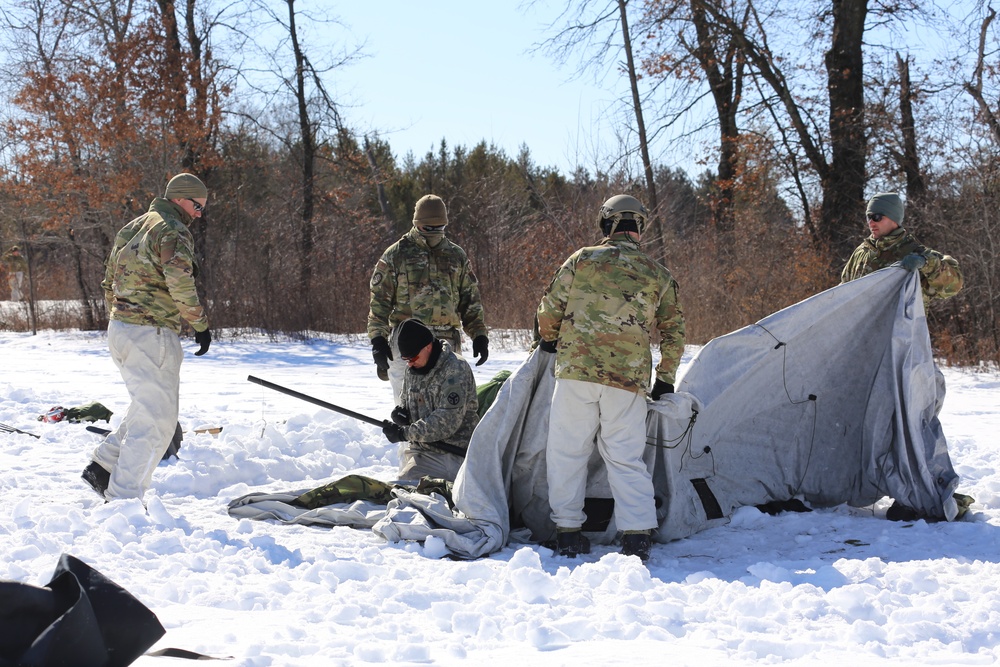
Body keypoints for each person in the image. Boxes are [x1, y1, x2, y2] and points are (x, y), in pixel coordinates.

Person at [536, 194, 686, 562]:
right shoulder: (659, 275)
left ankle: (568, 532)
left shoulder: (581, 260)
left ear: (607, 223)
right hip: (627, 381)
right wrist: (665, 378)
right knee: (625, 458)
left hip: (576, 373)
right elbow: (674, 332)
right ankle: (637, 537)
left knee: (567, 453)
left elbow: (548, 311)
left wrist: (551, 339)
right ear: (640, 227)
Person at [82, 173, 213, 502]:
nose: (198, 214)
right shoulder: (173, 230)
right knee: (159, 420)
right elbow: (180, 283)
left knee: (146, 406)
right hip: (152, 332)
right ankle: (124, 499)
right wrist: (199, 324)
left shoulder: (133, 226)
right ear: (180, 199)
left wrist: (122, 317)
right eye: (196, 206)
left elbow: (108, 279)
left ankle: (103, 465)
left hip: (121, 330)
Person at [367, 194, 489, 404]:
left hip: (446, 343)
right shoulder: (397, 255)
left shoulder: (456, 256)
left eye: (439, 227)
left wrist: (479, 334)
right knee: (409, 409)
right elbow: (379, 303)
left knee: (449, 407)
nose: (434, 233)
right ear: (417, 224)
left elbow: (470, 300)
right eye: (428, 228)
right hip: (407, 344)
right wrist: (378, 339)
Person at [380, 318, 480, 483]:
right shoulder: (412, 368)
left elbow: (446, 423)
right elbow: (407, 400)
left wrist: (404, 433)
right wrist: (402, 414)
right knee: (399, 491)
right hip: (422, 452)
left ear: (428, 346)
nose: (410, 364)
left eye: (413, 358)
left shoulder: (455, 369)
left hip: (452, 454)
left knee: (408, 491)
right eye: (406, 360)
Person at [841, 192, 963, 300]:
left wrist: (927, 264)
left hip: (900, 325)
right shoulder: (861, 252)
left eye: (876, 217)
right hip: (862, 325)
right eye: (868, 217)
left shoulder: (916, 253)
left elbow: (954, 287)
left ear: (894, 218)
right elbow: (843, 292)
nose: (871, 223)